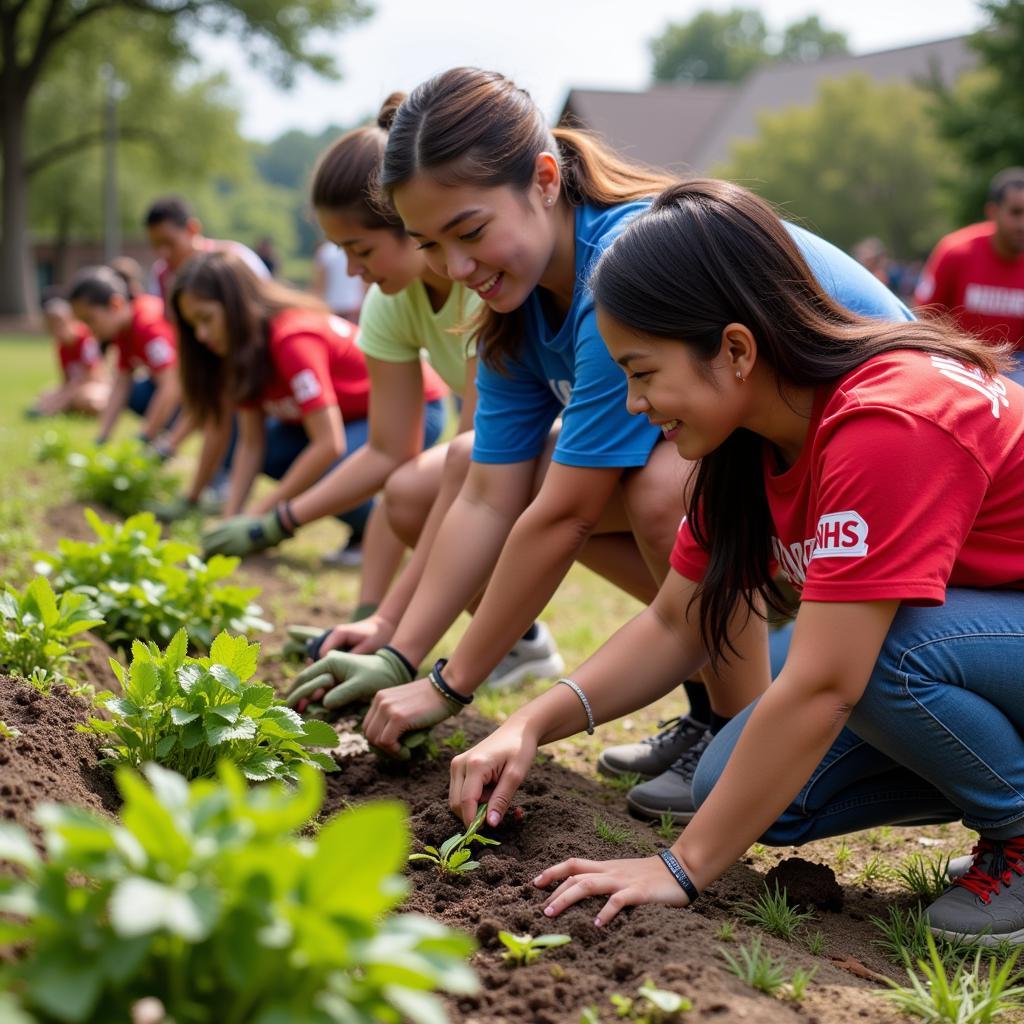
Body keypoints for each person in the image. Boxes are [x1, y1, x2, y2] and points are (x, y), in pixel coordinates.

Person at [287, 69, 910, 816]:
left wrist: (451, 685)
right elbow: (491, 497)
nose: (456, 268)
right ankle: (716, 693)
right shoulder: (512, 312)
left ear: (544, 179)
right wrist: (399, 653)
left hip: (882, 481)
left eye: (471, 231)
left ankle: (743, 734)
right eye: (428, 244)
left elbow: (565, 514)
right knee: (482, 473)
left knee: (654, 490)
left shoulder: (623, 263)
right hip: (778, 491)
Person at [446, 178, 1024, 948]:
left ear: (736, 349)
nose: (631, 402)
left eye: (643, 372)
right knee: (741, 785)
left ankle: (1014, 828)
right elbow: (677, 622)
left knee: (870, 658)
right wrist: (528, 723)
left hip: (961, 638)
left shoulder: (886, 423)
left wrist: (681, 867)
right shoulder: (750, 437)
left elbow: (826, 684)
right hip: (986, 636)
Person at [203, 101, 505, 648]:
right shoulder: (389, 304)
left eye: (360, 249)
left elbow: (470, 468)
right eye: (340, 252)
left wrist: (392, 638)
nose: (350, 271)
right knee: (405, 487)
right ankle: (519, 641)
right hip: (497, 456)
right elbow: (388, 453)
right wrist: (367, 614)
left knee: (428, 488)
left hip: (533, 449)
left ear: (412, 226)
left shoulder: (480, 290)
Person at [170, 251, 442, 549]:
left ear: (236, 306)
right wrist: (232, 519)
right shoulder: (242, 354)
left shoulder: (292, 339)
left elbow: (329, 443)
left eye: (206, 318)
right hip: (347, 418)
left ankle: (384, 525)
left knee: (332, 468)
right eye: (194, 325)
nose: (201, 335)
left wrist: (259, 522)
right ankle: (365, 522)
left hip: (413, 408)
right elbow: (251, 445)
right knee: (274, 452)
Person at [915, 167, 1024, 378]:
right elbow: (924, 319)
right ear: (993, 212)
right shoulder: (955, 252)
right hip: (956, 361)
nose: (1022, 224)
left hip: (1014, 368)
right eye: (1015, 213)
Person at [67, 266, 180, 445]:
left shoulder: (147, 326)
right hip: (175, 386)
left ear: (115, 305)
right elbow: (121, 384)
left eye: (90, 319)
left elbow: (171, 384)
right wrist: (101, 437)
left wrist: (144, 436)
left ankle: (165, 440)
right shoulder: (124, 330)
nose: (89, 329)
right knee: (134, 392)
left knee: (144, 392)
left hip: (192, 389)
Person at [144, 195, 269, 306]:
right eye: (156, 245)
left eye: (169, 243)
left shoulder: (236, 258)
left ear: (192, 229)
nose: (163, 253)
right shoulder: (160, 275)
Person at [29, 296, 110, 417]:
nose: (57, 331)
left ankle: (61, 408)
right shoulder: (61, 346)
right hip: (74, 387)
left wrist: (62, 398)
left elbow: (93, 376)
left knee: (88, 401)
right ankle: (63, 406)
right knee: (45, 394)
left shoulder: (85, 340)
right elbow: (65, 379)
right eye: (52, 327)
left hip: (94, 386)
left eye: (60, 325)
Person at [312, 242, 366, 324]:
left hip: (331, 310)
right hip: (354, 310)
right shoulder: (360, 248)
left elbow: (318, 287)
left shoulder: (325, 251)